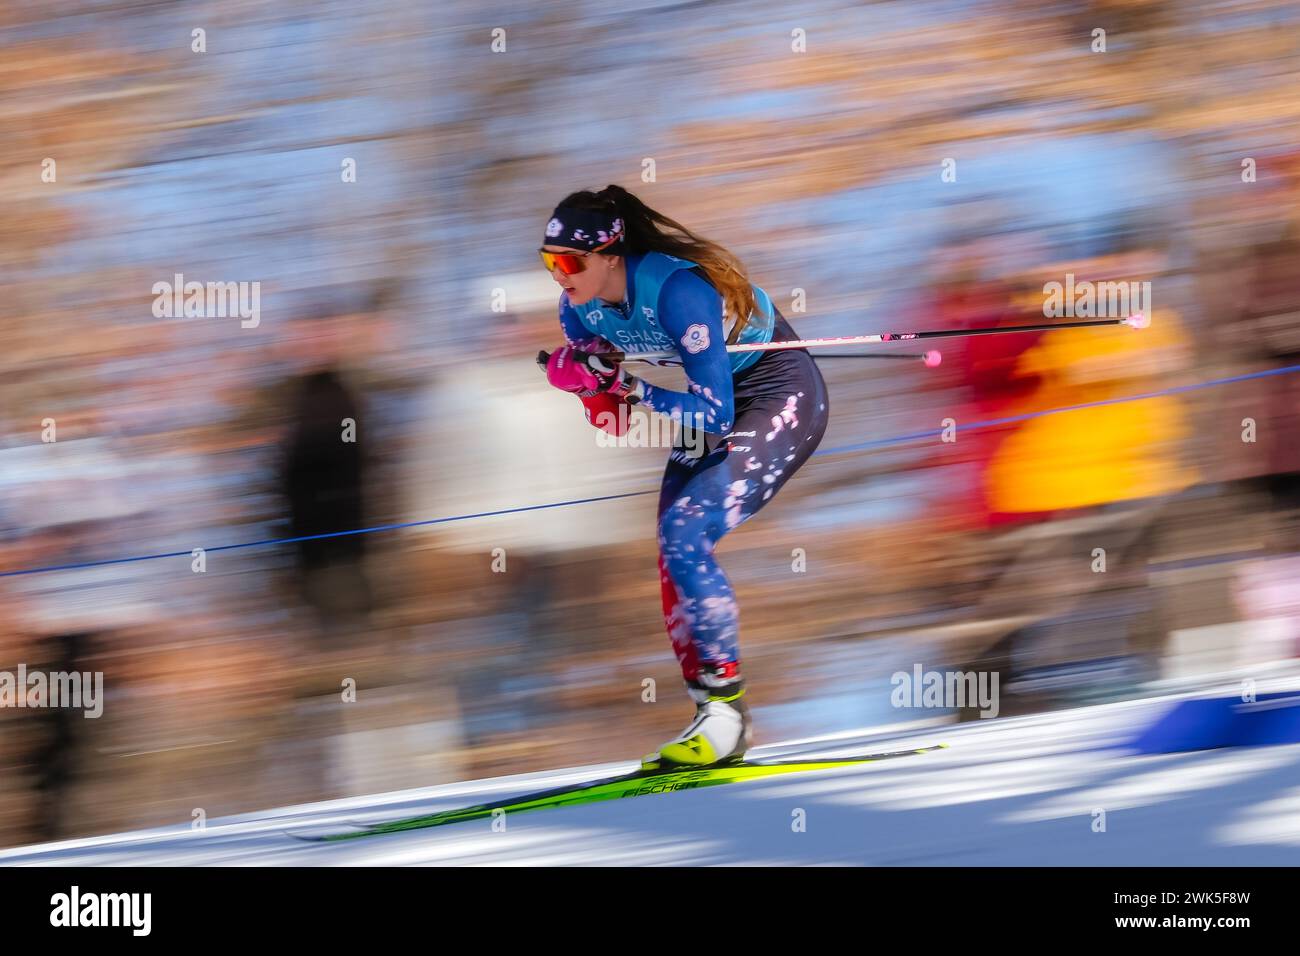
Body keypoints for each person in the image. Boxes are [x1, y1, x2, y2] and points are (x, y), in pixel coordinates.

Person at [537, 185, 829, 768]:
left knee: (687, 531)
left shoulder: (678, 291)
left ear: (611, 255)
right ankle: (714, 713)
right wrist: (585, 385)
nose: (559, 276)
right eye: (549, 263)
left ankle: (725, 715)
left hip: (775, 394)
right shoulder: (577, 309)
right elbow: (616, 421)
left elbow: (716, 419)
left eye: (569, 262)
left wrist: (631, 385)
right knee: (672, 545)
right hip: (712, 404)